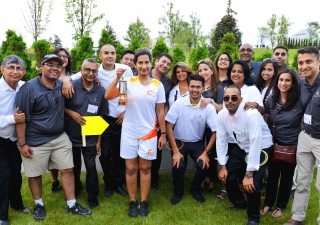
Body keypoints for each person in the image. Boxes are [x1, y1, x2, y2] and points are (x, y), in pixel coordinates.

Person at [15, 54, 91, 222]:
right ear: (41, 67)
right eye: (50, 64)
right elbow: (20, 118)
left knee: (68, 169)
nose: (54, 68)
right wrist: (22, 144)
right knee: (35, 174)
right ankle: (39, 204)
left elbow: (82, 74)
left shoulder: (60, 84)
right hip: (35, 139)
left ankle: (71, 204)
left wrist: (66, 81)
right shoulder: (28, 88)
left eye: (58, 65)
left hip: (59, 137)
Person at [62, 44, 133, 198]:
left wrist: (125, 112)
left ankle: (118, 183)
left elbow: (125, 91)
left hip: (122, 119)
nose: (110, 55)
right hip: (103, 118)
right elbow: (68, 78)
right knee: (105, 155)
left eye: (113, 53)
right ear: (100, 56)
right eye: (106, 53)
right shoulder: (95, 69)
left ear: (116, 55)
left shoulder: (124, 69)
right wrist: (66, 82)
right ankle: (108, 183)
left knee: (121, 155)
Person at [105, 48, 166, 217]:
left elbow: (160, 111)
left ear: (150, 63)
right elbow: (108, 96)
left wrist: (163, 134)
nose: (144, 66)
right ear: (135, 64)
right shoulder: (127, 82)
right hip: (129, 133)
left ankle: (144, 201)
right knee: (131, 169)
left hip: (149, 133)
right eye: (140, 62)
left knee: (146, 169)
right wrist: (117, 78)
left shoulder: (157, 85)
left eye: (147, 62)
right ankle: (132, 201)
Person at [217, 85, 273, 225]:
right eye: (226, 98)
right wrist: (223, 166)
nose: (230, 101)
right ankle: (239, 203)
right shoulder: (221, 115)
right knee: (228, 176)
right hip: (241, 146)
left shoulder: (251, 114)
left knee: (252, 184)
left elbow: (256, 142)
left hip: (261, 147)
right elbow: (221, 140)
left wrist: (249, 174)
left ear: (240, 99)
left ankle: (253, 217)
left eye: (234, 98)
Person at [64, 58, 109, 209]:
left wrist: (98, 141)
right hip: (71, 136)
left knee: (91, 168)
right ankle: (75, 190)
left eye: (94, 71)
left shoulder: (101, 91)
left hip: (90, 137)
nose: (90, 73)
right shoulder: (71, 87)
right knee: (73, 167)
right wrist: (72, 114)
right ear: (81, 70)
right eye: (87, 70)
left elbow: (101, 117)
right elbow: (59, 108)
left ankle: (92, 197)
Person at [166, 75, 217, 205]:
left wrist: (206, 152)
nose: (195, 89)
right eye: (192, 86)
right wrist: (176, 152)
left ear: (203, 88)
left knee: (203, 164)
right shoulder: (179, 103)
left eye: (198, 87)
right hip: (180, 142)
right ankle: (178, 192)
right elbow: (169, 127)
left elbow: (216, 131)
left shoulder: (208, 107)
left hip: (197, 143)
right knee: (177, 165)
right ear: (188, 87)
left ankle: (195, 190)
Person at [283, 46, 320, 225]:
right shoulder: (301, 83)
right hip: (305, 136)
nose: (304, 66)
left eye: (308, 62)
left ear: (318, 62)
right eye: (300, 62)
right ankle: (298, 217)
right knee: (302, 180)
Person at [260, 69, 303, 219]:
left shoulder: (299, 100)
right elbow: (266, 117)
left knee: (286, 178)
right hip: (274, 144)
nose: (283, 83)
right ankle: (268, 204)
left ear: (293, 83)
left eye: (287, 80)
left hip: (292, 146)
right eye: (280, 80)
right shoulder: (272, 99)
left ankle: (280, 205)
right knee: (272, 177)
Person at [0, 55, 31, 225]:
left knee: (16, 175)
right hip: (0, 139)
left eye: (19, 68)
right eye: (11, 67)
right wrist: (12, 119)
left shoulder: (23, 87)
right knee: (4, 176)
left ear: (24, 72)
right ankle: (2, 216)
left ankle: (17, 205)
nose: (15, 71)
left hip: (13, 140)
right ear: (2, 69)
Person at [197, 60, 224, 194]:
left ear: (212, 71)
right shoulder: (197, 86)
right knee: (200, 151)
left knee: (211, 153)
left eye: (205, 69)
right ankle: (202, 177)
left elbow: (221, 108)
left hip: (212, 127)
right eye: (200, 70)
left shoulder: (218, 88)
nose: (203, 73)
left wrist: (210, 101)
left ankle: (212, 179)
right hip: (198, 126)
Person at [50, 47, 73, 194]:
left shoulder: (74, 76)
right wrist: (64, 80)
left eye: (65, 56)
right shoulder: (49, 76)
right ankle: (54, 181)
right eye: (59, 56)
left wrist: (66, 79)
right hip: (52, 119)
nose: (63, 58)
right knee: (52, 153)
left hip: (69, 120)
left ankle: (71, 180)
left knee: (65, 152)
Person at [149, 53, 172, 190]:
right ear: (156, 61)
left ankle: (154, 178)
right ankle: (140, 177)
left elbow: (166, 103)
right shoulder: (140, 74)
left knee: (156, 152)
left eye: (168, 64)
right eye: (163, 62)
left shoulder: (167, 82)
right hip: (140, 121)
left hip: (158, 122)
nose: (165, 65)